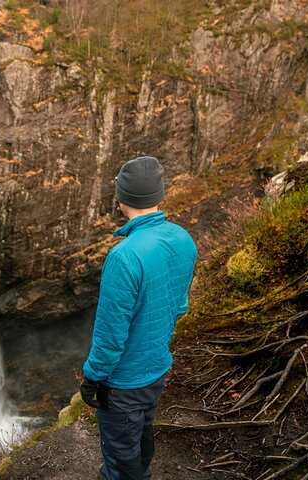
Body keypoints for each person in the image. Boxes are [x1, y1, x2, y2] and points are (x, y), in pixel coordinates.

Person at [80, 156, 197, 480]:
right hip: (157, 368)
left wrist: (92, 378)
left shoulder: (124, 256)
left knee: (120, 461)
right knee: (142, 430)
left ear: (122, 199)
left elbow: (111, 334)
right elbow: (179, 306)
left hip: (124, 382)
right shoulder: (183, 239)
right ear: (158, 196)